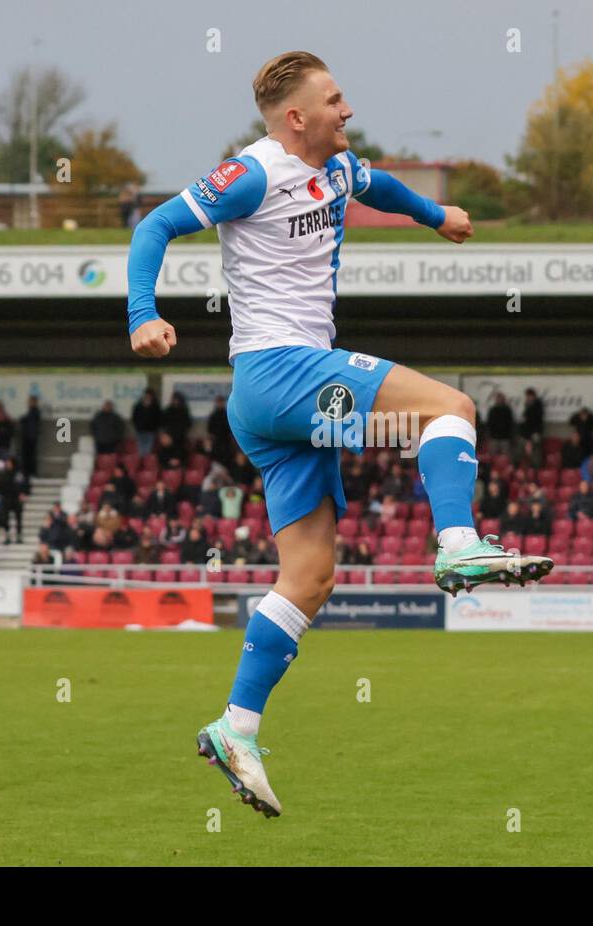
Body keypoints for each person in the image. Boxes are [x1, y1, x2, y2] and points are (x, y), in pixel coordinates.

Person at [126, 52, 550, 817]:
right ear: (296, 117)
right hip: (280, 368)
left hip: (273, 401)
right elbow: (155, 224)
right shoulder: (252, 173)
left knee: (311, 577)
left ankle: (236, 727)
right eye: (334, 99)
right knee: (450, 408)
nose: (347, 109)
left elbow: (377, 185)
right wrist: (142, 314)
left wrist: (434, 216)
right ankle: (458, 544)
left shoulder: (339, 167)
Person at [19, 395, 41, 478]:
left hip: (30, 437)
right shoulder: (32, 411)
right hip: (29, 436)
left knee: (30, 455)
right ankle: (28, 472)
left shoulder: (35, 411)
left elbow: (29, 422)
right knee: (27, 455)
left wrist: (23, 419)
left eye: (30, 401)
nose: (28, 403)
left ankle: (30, 472)